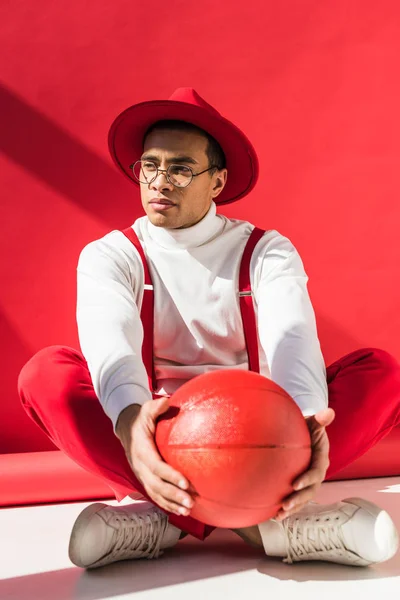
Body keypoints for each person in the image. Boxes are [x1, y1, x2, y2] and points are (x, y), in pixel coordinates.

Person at [18, 88, 400, 570]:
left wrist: (306, 422)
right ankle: (265, 526)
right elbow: (109, 343)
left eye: (180, 168)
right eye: (149, 166)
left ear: (217, 182)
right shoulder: (111, 255)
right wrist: (134, 428)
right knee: (44, 376)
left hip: (263, 437)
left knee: (381, 373)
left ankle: (166, 519)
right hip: (158, 434)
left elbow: (292, 336)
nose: (160, 182)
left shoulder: (266, 250)